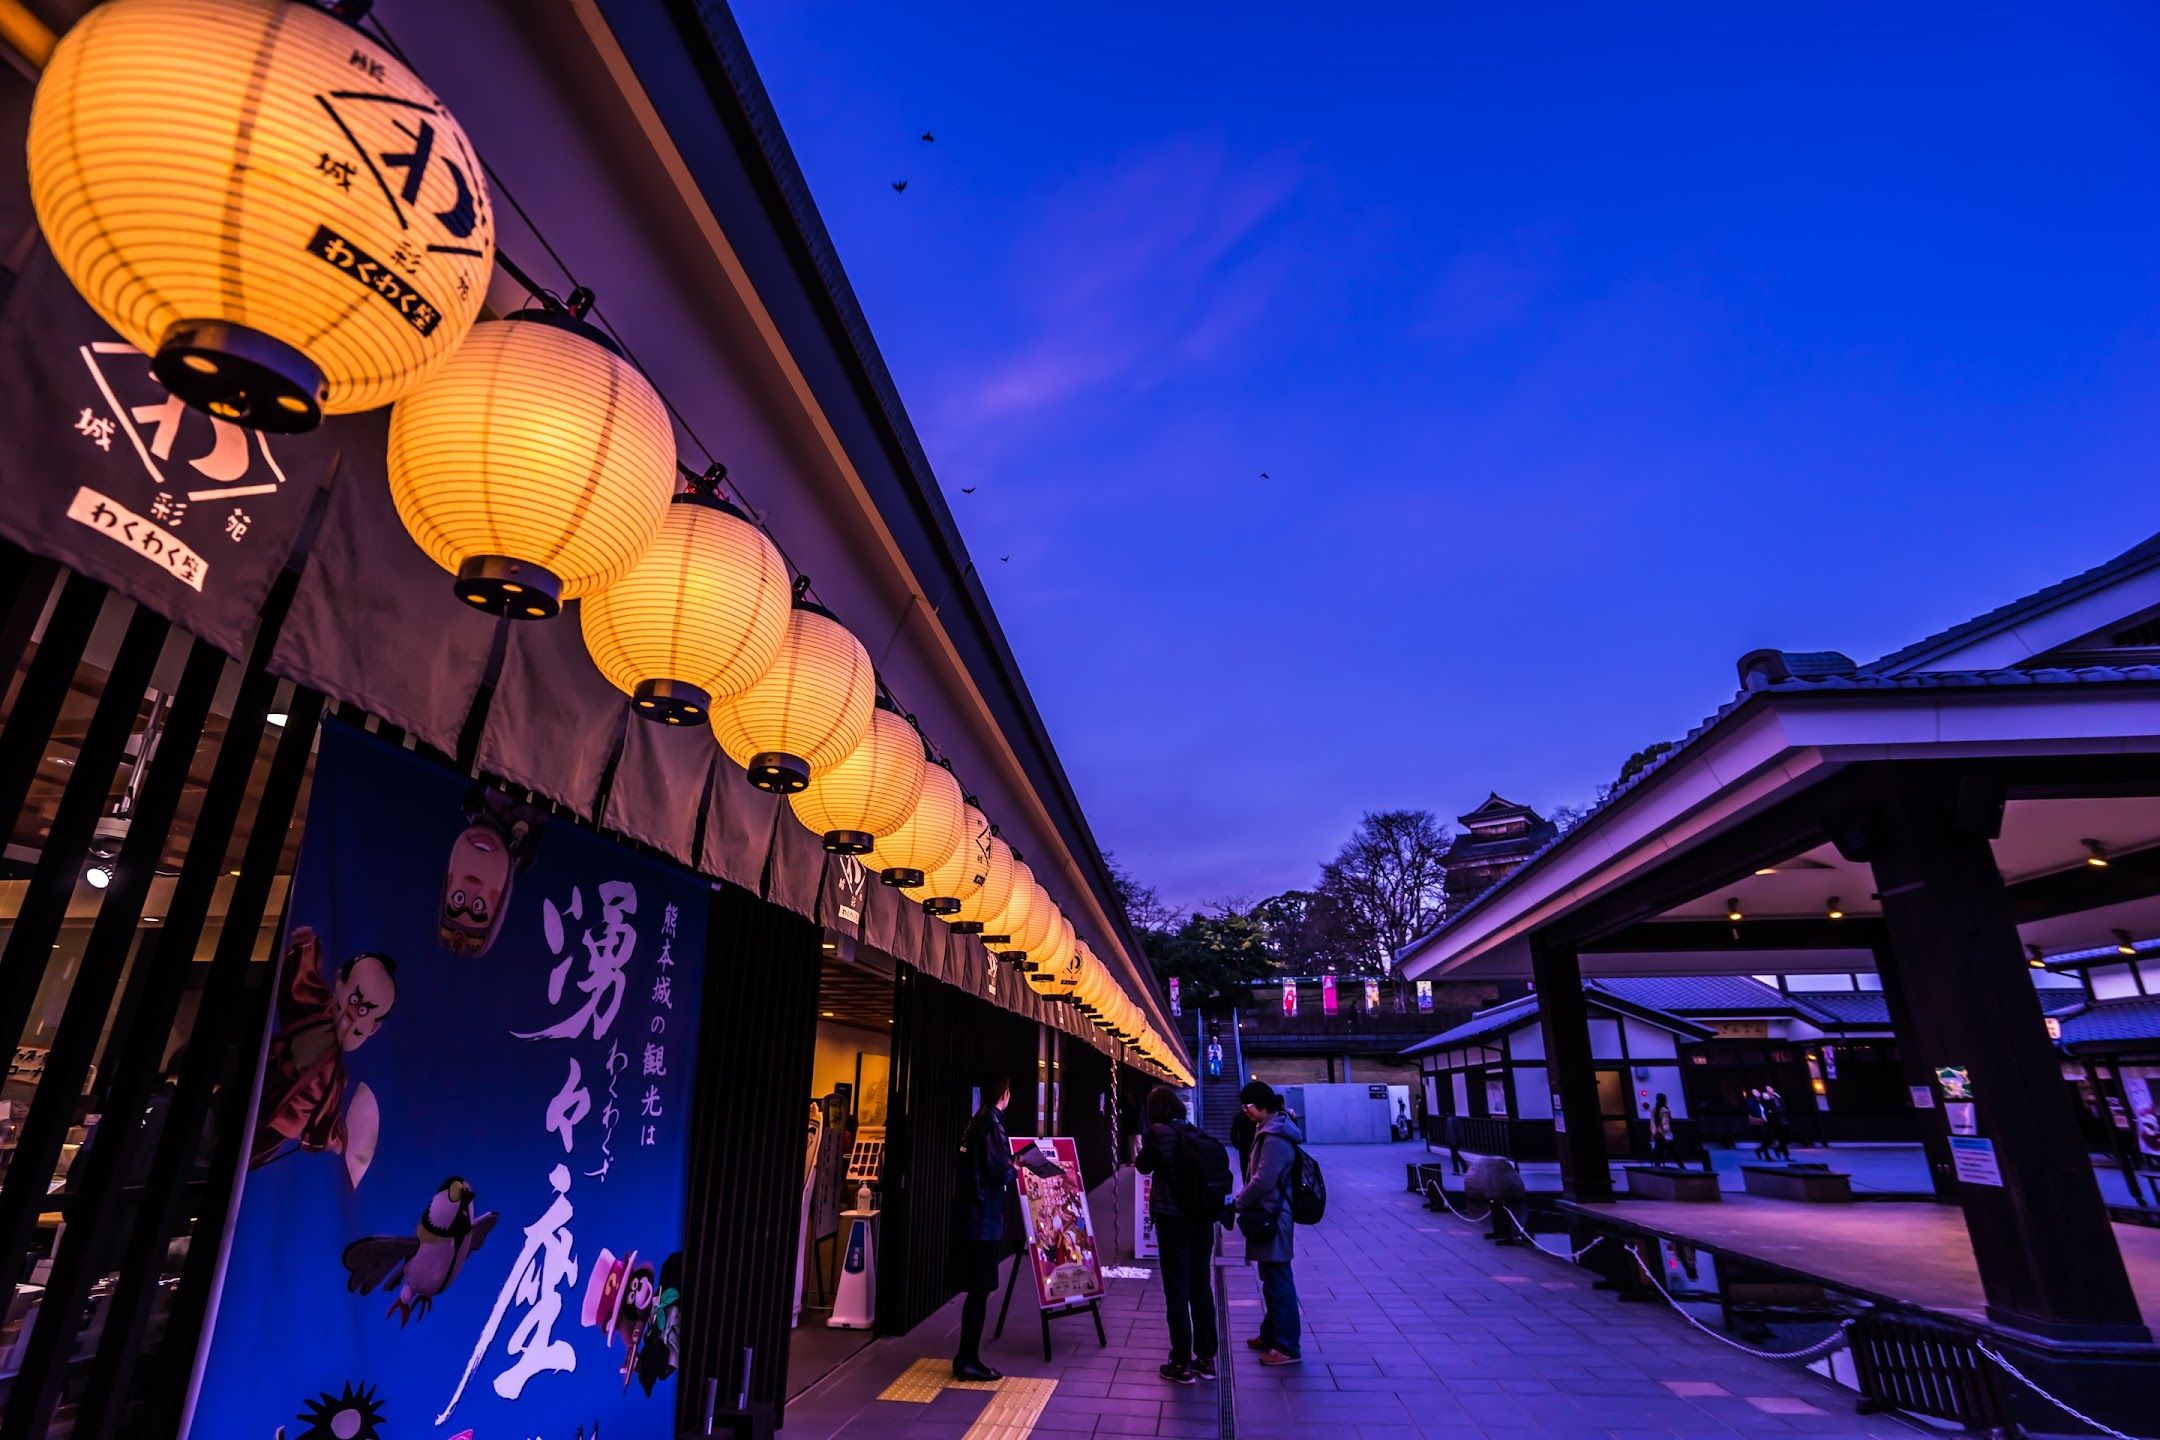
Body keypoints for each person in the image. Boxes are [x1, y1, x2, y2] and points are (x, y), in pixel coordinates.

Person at [1134, 1085, 1219, 1384]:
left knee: (1177, 1290)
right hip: (1203, 1220)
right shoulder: (1195, 1131)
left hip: (1174, 1222)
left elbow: (1143, 1166)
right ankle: (1206, 1359)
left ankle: (1181, 1363)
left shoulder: (1157, 1133)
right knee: (1201, 1287)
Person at [1230, 1081, 1303, 1366]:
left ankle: (1287, 1347)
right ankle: (1270, 1335)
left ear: (1260, 1104)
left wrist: (1238, 1203)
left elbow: (1263, 1180)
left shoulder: (1274, 1136)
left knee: (1279, 1281)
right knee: (1272, 1279)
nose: (1245, 1112)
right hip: (1270, 1214)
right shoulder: (1270, 1129)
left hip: (1274, 1216)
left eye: (1247, 1106)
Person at [950, 1072, 1016, 1381]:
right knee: (980, 1290)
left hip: (974, 1217)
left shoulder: (978, 1123)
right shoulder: (991, 1126)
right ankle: (968, 1360)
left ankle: (966, 1357)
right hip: (983, 1220)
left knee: (978, 1289)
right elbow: (997, 1172)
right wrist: (1015, 1167)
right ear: (1004, 1094)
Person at [1764, 1085, 1793, 1162]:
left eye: (1771, 1088)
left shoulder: (1778, 1097)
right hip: (1777, 1122)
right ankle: (1786, 1156)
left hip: (1784, 1119)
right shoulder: (1768, 1100)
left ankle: (1778, 1148)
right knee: (1782, 1138)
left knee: (1788, 1137)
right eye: (1768, 1089)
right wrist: (1773, 1118)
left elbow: (1783, 1107)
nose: (1771, 1090)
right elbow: (1768, 1111)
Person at [1649, 1093, 1676, 1167]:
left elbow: (1652, 1122)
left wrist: (1653, 1133)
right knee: (1674, 1152)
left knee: (1659, 1152)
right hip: (1664, 1135)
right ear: (1664, 1100)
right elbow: (1665, 1124)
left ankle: (1657, 1167)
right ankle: (1682, 1167)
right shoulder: (1665, 1110)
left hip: (1657, 1134)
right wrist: (1667, 1135)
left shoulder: (1654, 1110)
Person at [1746, 1087, 1772, 1160]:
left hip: (1765, 1121)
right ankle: (1767, 1157)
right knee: (1765, 1139)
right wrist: (1759, 1116)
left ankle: (1759, 1150)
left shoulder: (1761, 1100)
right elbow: (1751, 1109)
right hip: (1758, 1122)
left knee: (1769, 1139)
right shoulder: (1752, 1100)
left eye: (1757, 1091)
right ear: (1752, 1094)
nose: (1757, 1092)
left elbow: (1767, 1108)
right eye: (1755, 1091)